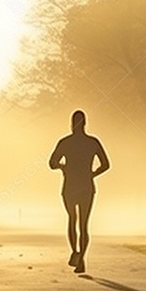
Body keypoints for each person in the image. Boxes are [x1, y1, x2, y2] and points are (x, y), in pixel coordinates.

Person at [49, 110, 109, 274]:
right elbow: (106, 164)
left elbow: (52, 163)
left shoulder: (65, 143)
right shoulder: (92, 142)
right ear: (85, 123)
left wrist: (63, 167)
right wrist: (92, 174)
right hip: (86, 187)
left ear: (71, 123)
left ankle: (75, 251)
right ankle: (81, 258)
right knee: (84, 225)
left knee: (71, 219)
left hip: (69, 186)